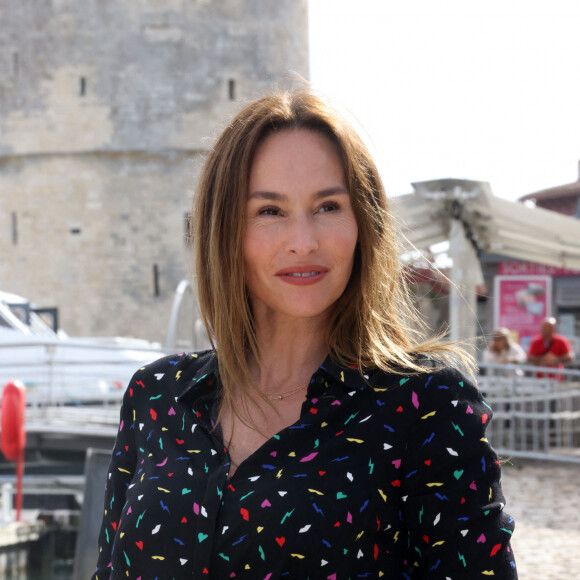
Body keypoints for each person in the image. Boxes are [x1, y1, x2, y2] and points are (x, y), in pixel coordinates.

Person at [92, 89, 517, 579]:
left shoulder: (424, 406)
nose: (304, 242)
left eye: (329, 206)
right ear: (224, 229)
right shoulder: (157, 394)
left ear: (364, 223)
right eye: (270, 211)